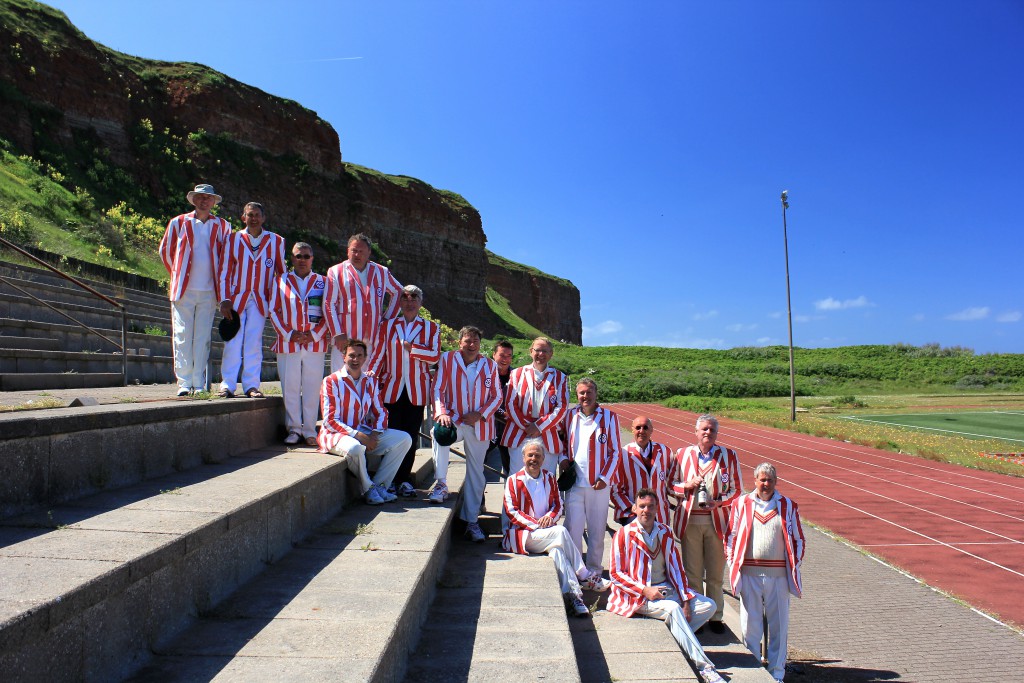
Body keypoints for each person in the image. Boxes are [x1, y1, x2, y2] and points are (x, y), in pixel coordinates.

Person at [608, 489, 723, 683]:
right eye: (642, 506)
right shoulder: (623, 534)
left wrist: (686, 598)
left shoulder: (665, 531)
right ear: (634, 509)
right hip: (639, 595)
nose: (646, 511)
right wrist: (645, 590)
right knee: (672, 609)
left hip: (666, 589)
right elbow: (615, 574)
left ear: (658, 509)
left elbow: (677, 568)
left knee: (709, 605)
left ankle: (679, 641)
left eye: (651, 506)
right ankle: (705, 667)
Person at [503, 439, 611, 617]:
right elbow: (511, 511)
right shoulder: (513, 481)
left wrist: (549, 517)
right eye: (530, 455)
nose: (533, 459)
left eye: (538, 455)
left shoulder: (549, 478)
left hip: (547, 535)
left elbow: (558, 505)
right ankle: (584, 574)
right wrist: (536, 524)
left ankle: (575, 598)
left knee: (558, 554)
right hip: (523, 536)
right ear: (523, 458)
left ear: (544, 459)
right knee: (561, 531)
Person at [726, 463, 805, 683]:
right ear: (755, 481)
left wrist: (793, 565)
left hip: (778, 577)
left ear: (776, 481)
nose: (766, 484)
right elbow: (731, 536)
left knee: (779, 626)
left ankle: (777, 674)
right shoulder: (741, 503)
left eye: (770, 480)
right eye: (762, 480)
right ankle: (753, 673)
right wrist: (733, 564)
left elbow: (799, 539)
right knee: (750, 626)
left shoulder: (788, 505)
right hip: (749, 573)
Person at [670, 414, 743, 633]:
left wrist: (719, 503)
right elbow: (669, 485)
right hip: (689, 520)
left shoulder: (728, 456)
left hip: (718, 522)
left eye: (711, 430)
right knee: (692, 572)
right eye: (703, 429)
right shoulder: (682, 455)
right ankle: (698, 613)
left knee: (714, 573)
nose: (707, 433)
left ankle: (716, 616)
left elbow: (737, 490)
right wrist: (687, 485)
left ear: (716, 433)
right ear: (696, 432)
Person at [366, 284, 440, 497]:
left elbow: (435, 356)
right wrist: (371, 375)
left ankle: (403, 480)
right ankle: (388, 479)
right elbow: (379, 354)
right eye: (405, 297)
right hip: (391, 388)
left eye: (414, 297)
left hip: (416, 390)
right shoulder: (387, 326)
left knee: (410, 435)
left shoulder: (431, 328)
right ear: (399, 302)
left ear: (420, 302)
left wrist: (413, 349)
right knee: (392, 434)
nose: (409, 301)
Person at [430, 325, 502, 543]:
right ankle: (441, 483)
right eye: (467, 341)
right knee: (438, 433)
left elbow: (497, 396)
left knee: (476, 474)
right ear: (459, 342)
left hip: (479, 424)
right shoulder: (447, 359)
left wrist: (480, 414)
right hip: (454, 418)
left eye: (475, 341)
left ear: (480, 344)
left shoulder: (489, 365)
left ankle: (471, 521)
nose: (471, 345)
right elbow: (438, 389)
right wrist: (442, 412)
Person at [318, 340, 411, 505]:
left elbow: (381, 411)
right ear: (343, 357)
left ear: (365, 358)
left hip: (362, 431)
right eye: (351, 355)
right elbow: (330, 419)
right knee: (355, 447)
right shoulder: (331, 381)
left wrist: (374, 434)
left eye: (359, 356)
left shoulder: (370, 381)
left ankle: (381, 486)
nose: (355, 359)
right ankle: (368, 489)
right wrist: (358, 435)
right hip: (335, 434)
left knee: (404, 439)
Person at [159, 183, 231, 396]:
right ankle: (183, 382)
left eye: (208, 198)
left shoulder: (223, 226)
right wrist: (178, 274)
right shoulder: (178, 222)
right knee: (181, 334)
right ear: (194, 200)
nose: (204, 201)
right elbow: (166, 251)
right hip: (184, 290)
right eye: (200, 197)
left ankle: (198, 383)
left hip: (209, 291)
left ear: (213, 202)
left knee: (202, 338)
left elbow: (227, 257)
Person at [218, 201, 286, 398]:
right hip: (236, 299)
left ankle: (251, 385)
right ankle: (227, 384)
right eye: (250, 215)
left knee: (254, 343)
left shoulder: (276, 241)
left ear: (263, 218)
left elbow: (281, 274)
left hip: (260, 300)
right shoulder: (232, 239)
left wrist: (278, 301)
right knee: (232, 341)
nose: (253, 218)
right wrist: (224, 299)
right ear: (243, 217)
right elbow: (224, 272)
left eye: (257, 215)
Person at [269, 242, 327, 446]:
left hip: (314, 344)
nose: (302, 260)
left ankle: (310, 430)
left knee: (312, 388)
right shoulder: (280, 280)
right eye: (298, 256)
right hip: (288, 343)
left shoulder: (323, 282)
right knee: (290, 386)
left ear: (312, 259)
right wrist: (288, 333)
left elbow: (328, 313)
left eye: (306, 256)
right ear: (291, 258)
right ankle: (294, 429)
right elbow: (273, 310)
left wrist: (314, 335)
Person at [560, 377, 620, 575]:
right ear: (577, 395)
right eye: (581, 393)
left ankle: (594, 570)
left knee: (596, 531)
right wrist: (562, 459)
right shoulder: (570, 416)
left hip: (598, 485)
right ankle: (576, 571)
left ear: (596, 394)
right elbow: (562, 442)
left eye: (589, 392)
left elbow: (615, 451)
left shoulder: (609, 417)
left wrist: (605, 478)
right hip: (575, 484)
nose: (585, 396)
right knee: (573, 529)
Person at [323, 233, 402, 373]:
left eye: (361, 251)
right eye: (354, 250)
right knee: (341, 380)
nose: (357, 254)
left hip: (372, 339)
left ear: (369, 252)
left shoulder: (381, 272)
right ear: (348, 251)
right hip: (345, 338)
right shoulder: (336, 271)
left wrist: (387, 320)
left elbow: (398, 292)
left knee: (367, 381)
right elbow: (329, 303)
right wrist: (337, 333)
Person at [501, 336, 570, 475]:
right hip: (519, 434)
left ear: (551, 354)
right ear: (531, 351)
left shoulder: (560, 377)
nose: (541, 354)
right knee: (517, 477)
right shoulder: (517, 374)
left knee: (546, 478)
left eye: (545, 351)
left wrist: (539, 426)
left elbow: (562, 407)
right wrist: (527, 427)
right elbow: (510, 403)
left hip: (547, 435)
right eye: (538, 350)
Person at [611, 416, 673, 526]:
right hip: (632, 513)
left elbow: (673, 479)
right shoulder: (623, 454)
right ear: (632, 430)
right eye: (638, 427)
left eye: (645, 427)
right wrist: (632, 508)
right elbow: (615, 490)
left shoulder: (665, 451)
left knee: (660, 542)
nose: (641, 431)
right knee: (640, 539)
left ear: (651, 430)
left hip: (659, 514)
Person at [489, 339, 514, 477]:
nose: (505, 359)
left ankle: (511, 499)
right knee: (477, 466)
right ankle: (477, 499)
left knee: (511, 470)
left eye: (508, 356)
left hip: (508, 429)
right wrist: (503, 414)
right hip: (488, 428)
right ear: (494, 355)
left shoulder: (517, 376)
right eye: (502, 355)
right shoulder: (484, 374)